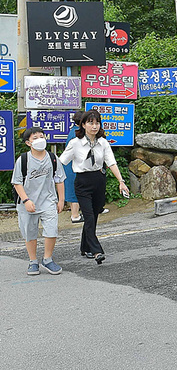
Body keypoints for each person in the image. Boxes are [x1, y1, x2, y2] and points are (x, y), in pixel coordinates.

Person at [59, 110, 130, 264]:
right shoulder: (75, 143)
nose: (94, 126)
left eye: (97, 123)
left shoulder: (103, 142)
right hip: (82, 181)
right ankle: (96, 251)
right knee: (89, 216)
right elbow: (61, 162)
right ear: (83, 125)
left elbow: (111, 162)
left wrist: (121, 181)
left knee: (94, 216)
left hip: (98, 180)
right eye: (90, 123)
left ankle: (84, 247)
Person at [11, 126, 66, 275]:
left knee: (52, 230)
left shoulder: (53, 158)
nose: (40, 140)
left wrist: (61, 200)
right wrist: (26, 200)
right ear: (28, 143)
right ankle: (33, 261)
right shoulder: (23, 160)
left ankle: (47, 259)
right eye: (35, 138)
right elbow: (17, 183)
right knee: (29, 233)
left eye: (41, 136)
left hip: (48, 201)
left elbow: (59, 180)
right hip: (28, 203)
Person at [62, 111, 83, 223]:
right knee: (75, 191)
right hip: (73, 165)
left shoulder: (73, 131)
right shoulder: (77, 134)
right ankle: (75, 216)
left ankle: (75, 213)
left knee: (73, 190)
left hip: (69, 165)